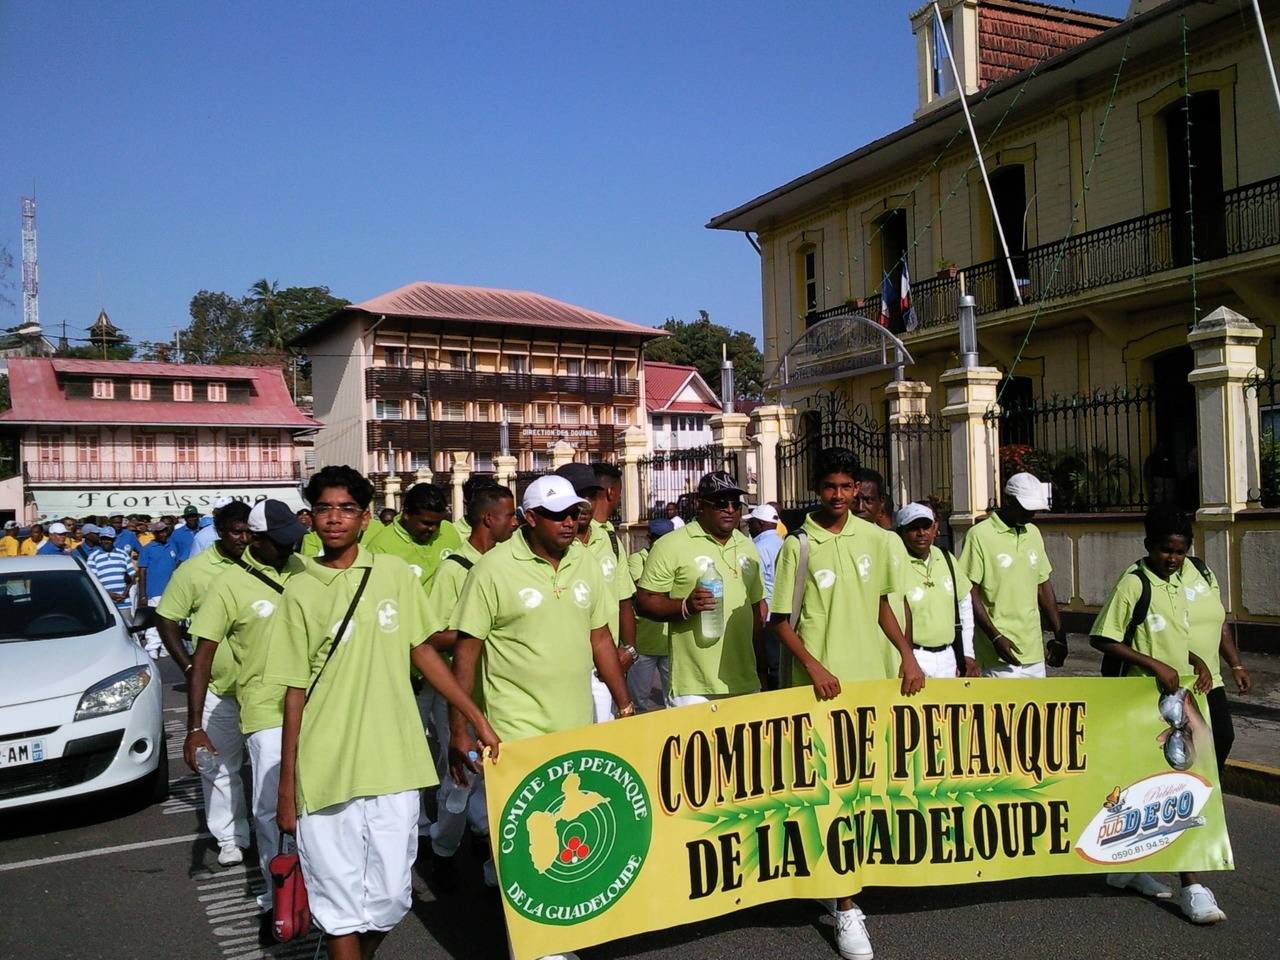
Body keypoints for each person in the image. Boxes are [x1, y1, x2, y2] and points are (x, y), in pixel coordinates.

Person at [265, 466, 497, 960]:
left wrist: (472, 715)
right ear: (311, 518)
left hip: (395, 760)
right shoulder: (298, 591)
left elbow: (425, 651)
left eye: (346, 509)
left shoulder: (392, 574)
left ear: (365, 518)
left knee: (391, 897)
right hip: (325, 767)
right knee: (338, 902)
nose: (334, 518)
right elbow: (293, 695)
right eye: (324, 508)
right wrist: (287, 787)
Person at [448, 473, 634, 901]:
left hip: (575, 725)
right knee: (531, 843)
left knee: (569, 837)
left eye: (573, 513)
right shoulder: (492, 570)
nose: (569, 522)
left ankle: (555, 925)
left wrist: (624, 705)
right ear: (529, 518)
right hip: (516, 732)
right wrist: (459, 731)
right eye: (556, 515)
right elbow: (466, 654)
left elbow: (600, 638)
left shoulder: (584, 561)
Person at [769, 447, 924, 960]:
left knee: (865, 789)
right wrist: (813, 666)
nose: (838, 496)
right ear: (819, 489)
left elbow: (883, 605)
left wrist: (907, 656)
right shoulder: (801, 544)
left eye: (846, 487)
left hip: (870, 685)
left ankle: (850, 876)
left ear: (859, 490)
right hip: (819, 691)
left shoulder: (879, 539)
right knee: (829, 793)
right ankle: (846, 906)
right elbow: (781, 622)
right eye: (829, 487)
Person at [1088, 504, 1228, 923]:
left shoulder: (1194, 575)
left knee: (1202, 770)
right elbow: (1103, 638)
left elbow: (1172, 631)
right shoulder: (1134, 582)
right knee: (1180, 784)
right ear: (1149, 546)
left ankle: (1129, 864)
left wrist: (1201, 661)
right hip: (1148, 700)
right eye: (1166, 550)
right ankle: (1193, 886)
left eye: (1181, 551)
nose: (1173, 558)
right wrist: (1155, 666)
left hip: (1193, 694)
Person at [185, 500, 311, 938]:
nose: (291, 546)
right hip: (265, 709)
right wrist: (194, 726)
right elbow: (201, 659)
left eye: (294, 537)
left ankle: (318, 881)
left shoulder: (305, 568)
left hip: (319, 705)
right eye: (281, 542)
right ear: (254, 539)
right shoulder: (226, 585)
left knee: (320, 802)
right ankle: (279, 887)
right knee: (270, 804)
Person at [422, 483, 519, 882]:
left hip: (499, 690)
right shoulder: (453, 569)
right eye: (509, 516)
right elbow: (430, 635)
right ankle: (443, 845)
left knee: (500, 777)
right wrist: (479, 632)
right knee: (461, 777)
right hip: (461, 694)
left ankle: (491, 855)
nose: (515, 523)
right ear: (488, 519)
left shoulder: (510, 563)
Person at [155, 502, 255, 868]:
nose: (244, 539)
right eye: (235, 532)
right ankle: (230, 836)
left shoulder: (266, 562)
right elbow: (167, 619)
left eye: (249, 531)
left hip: (266, 689)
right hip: (218, 690)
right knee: (219, 767)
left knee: (272, 764)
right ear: (219, 531)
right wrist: (189, 668)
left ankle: (278, 833)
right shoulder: (195, 572)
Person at [635, 471, 767, 706]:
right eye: (720, 503)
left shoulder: (747, 546)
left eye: (735, 504)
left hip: (745, 680)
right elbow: (644, 601)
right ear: (700, 505)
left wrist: (762, 670)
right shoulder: (670, 545)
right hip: (693, 686)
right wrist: (685, 606)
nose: (729, 509)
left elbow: (757, 609)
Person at [959, 471, 1067, 677]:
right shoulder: (979, 535)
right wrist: (995, 637)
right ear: (1008, 500)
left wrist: (1060, 636)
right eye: (1026, 508)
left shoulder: (1033, 533)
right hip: (999, 653)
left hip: (1033, 649)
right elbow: (969, 591)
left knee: (1037, 709)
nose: (1031, 515)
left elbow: (1043, 586)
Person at [555, 461, 636, 722]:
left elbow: (624, 599)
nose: (585, 503)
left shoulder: (609, 539)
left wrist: (629, 650)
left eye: (591, 495)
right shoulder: (547, 547)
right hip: (561, 670)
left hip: (603, 670)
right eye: (578, 495)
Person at [895, 502, 977, 678]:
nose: (921, 533)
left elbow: (964, 606)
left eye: (926, 526)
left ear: (935, 528)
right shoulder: (895, 563)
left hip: (948, 657)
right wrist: (905, 658)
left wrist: (967, 654)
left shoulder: (947, 558)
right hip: (913, 656)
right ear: (900, 532)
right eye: (913, 528)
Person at [363, 482, 462, 589]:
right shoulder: (380, 548)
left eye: (438, 523)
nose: (433, 528)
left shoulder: (448, 530)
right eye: (426, 523)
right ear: (406, 514)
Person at [627, 517, 675, 713]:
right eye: (659, 538)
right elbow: (647, 592)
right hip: (643, 643)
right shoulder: (636, 560)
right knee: (638, 703)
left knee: (674, 701)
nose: (663, 543)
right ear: (649, 538)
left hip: (670, 641)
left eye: (667, 538)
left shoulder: (676, 559)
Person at [746, 504, 784, 687]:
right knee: (781, 663)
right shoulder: (783, 543)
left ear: (760, 524)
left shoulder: (757, 549)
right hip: (784, 613)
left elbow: (753, 586)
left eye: (751, 523)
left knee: (768, 664)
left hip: (766, 617)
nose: (749, 528)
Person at [137, 521, 179, 659]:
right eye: (160, 532)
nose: (163, 534)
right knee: (154, 620)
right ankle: (152, 647)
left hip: (171, 590)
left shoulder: (171, 546)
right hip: (154, 590)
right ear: (154, 533)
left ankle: (167, 646)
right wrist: (142, 594)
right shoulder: (147, 548)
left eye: (165, 531)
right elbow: (142, 572)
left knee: (170, 619)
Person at [86, 527, 135, 614]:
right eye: (104, 539)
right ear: (100, 540)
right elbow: (92, 580)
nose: (106, 541)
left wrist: (125, 593)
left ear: (114, 540)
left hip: (124, 603)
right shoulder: (93, 557)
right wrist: (108, 595)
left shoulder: (122, 554)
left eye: (109, 539)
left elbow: (132, 575)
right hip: (105, 603)